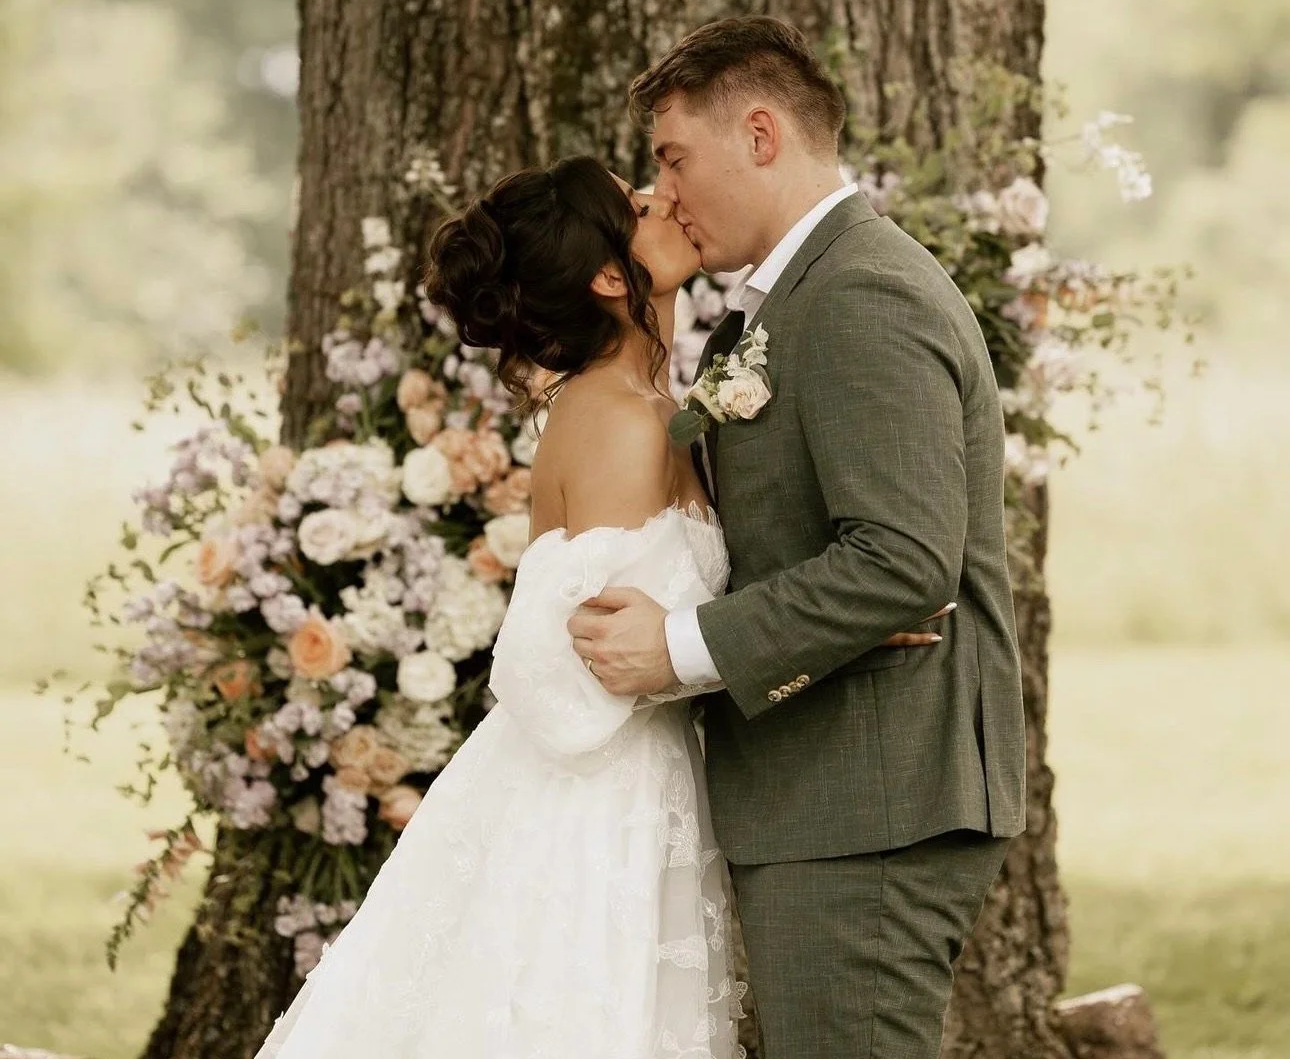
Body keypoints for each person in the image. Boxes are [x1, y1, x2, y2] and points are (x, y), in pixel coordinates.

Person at [254, 153, 941, 1059]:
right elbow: (588, 661)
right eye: (637, 200)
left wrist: (835, 610)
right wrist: (822, 634)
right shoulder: (619, 421)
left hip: (642, 787)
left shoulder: (650, 402)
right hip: (592, 816)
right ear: (612, 276)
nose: (663, 199)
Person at [569, 16, 1028, 1059]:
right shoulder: (782, 305)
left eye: (675, 157)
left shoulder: (862, 293)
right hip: (827, 789)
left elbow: (908, 561)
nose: (665, 192)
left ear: (761, 134)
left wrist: (680, 646)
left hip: (871, 802)